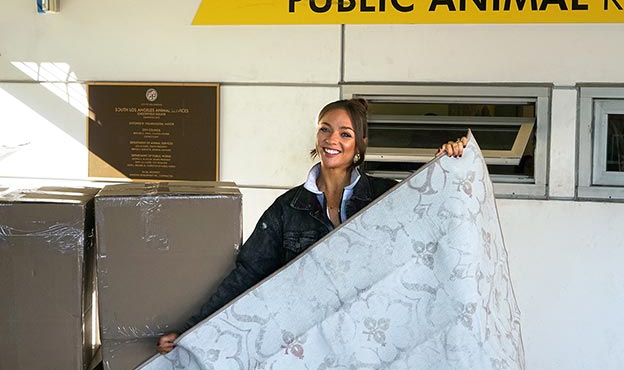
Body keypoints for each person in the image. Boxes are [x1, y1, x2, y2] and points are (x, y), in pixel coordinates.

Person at [157, 98, 467, 354]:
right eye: (325, 130)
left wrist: (448, 166)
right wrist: (192, 330)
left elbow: (431, 229)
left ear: (360, 144)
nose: (332, 140)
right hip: (312, 347)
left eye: (345, 134)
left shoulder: (385, 195)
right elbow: (247, 275)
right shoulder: (287, 209)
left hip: (375, 340)